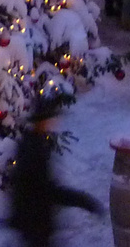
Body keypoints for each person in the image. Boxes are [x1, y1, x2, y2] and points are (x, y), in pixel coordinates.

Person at [8, 95, 102, 246]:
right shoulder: (35, 149)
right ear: (42, 121)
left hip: (32, 222)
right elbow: (46, 189)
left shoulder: (31, 143)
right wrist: (82, 200)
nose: (53, 123)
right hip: (36, 223)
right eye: (50, 119)